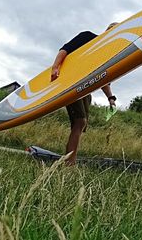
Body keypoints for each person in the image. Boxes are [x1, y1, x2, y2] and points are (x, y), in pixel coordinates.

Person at [51, 22, 118, 165]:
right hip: (70, 83)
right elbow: (64, 50)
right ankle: (69, 164)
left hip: (86, 90)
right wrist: (55, 67)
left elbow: (102, 80)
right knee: (80, 122)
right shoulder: (88, 37)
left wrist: (111, 98)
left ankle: (69, 160)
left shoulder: (106, 55)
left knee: (80, 125)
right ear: (107, 31)